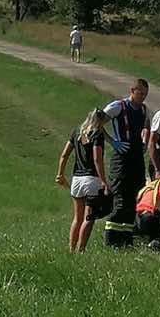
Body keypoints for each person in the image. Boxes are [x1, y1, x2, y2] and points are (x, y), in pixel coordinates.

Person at [101, 79, 150, 248]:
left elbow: (147, 126)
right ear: (132, 90)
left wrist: (145, 142)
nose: (142, 97)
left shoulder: (143, 109)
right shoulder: (118, 106)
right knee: (121, 199)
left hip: (136, 156)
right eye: (140, 93)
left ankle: (126, 240)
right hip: (121, 157)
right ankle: (111, 240)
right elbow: (96, 122)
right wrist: (112, 141)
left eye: (145, 94)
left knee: (134, 197)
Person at [55, 108, 110, 252]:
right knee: (89, 218)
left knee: (77, 218)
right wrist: (103, 180)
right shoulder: (97, 134)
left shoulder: (77, 132)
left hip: (76, 180)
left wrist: (60, 173)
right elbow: (97, 159)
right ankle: (81, 250)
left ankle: (71, 249)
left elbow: (64, 155)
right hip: (91, 180)